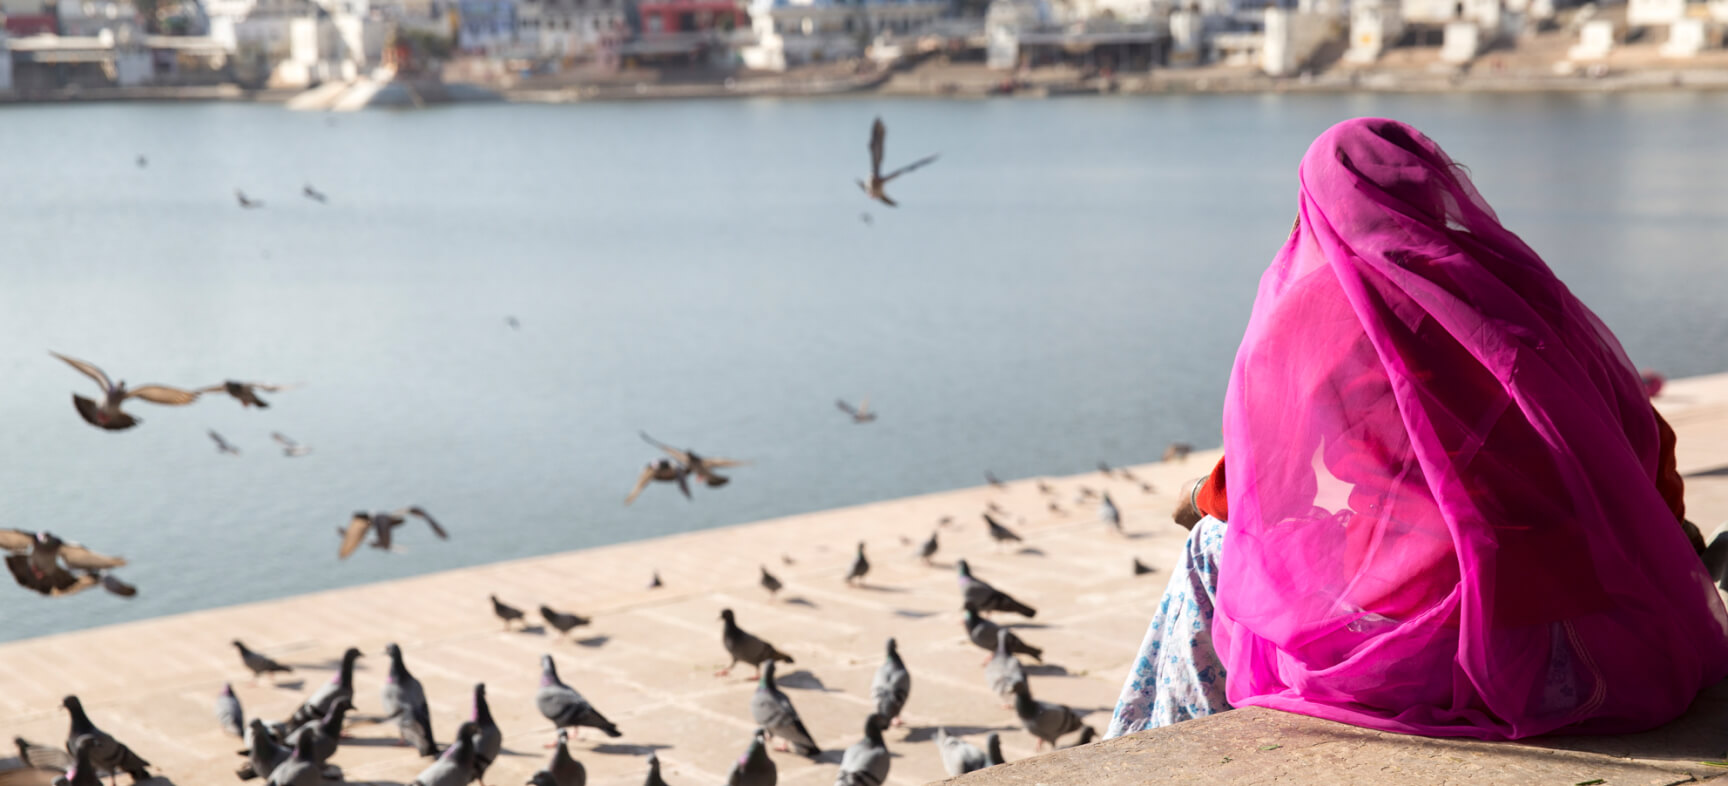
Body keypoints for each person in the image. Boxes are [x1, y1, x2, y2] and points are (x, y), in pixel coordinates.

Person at [1107, 117, 1728, 741]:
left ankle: (1148, 750)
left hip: (1433, 656)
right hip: (1585, 647)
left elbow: (1266, 493)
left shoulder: (1321, 307)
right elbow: (1638, 438)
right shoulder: (1517, 291)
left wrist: (1201, 497)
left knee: (1214, 547)